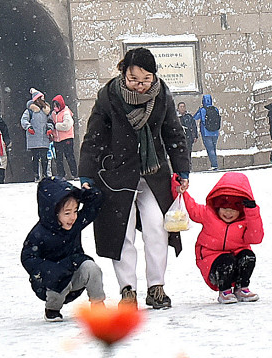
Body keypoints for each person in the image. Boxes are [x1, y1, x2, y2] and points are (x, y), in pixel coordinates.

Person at [79, 47, 191, 310]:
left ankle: (157, 287)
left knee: (157, 228)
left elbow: (173, 133)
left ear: (154, 76)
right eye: (134, 80)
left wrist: (181, 169)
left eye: (145, 80)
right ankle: (127, 290)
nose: (140, 86)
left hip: (153, 174)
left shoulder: (162, 95)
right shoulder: (108, 97)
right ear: (123, 74)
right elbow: (94, 137)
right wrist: (86, 173)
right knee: (123, 233)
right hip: (116, 175)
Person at [21, 177, 105, 322]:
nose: (73, 217)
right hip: (48, 284)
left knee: (92, 268)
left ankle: (98, 305)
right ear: (53, 213)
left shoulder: (75, 224)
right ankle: (52, 310)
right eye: (67, 213)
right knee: (59, 278)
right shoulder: (39, 233)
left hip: (74, 274)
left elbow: (95, 203)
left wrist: (84, 193)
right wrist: (50, 270)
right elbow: (28, 257)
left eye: (75, 211)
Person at [173, 171, 263, 304]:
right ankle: (224, 290)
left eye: (233, 210)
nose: (228, 213)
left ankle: (241, 287)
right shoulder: (208, 214)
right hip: (212, 260)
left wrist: (252, 212)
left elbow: (256, 238)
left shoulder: (245, 220)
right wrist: (180, 190)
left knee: (248, 256)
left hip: (236, 257)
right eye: (224, 208)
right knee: (226, 261)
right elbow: (192, 208)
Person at [20, 88, 52, 182]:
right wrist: (28, 127)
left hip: (44, 137)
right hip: (34, 138)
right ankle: (36, 175)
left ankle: (45, 174)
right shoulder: (30, 111)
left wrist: (49, 128)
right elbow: (24, 120)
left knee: (44, 158)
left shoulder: (46, 111)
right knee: (36, 158)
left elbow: (50, 121)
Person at [48, 95, 78, 179]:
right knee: (58, 158)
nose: (55, 108)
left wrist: (56, 125)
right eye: (53, 106)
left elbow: (66, 126)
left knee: (69, 156)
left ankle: (74, 173)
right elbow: (49, 121)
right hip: (57, 139)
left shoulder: (66, 113)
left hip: (67, 138)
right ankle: (61, 174)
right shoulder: (53, 114)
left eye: (56, 106)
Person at [193, 95, 220, 170]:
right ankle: (215, 164)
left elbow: (195, 118)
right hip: (215, 132)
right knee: (213, 148)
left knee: (210, 149)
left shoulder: (202, 110)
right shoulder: (215, 109)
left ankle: (214, 165)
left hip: (206, 132)